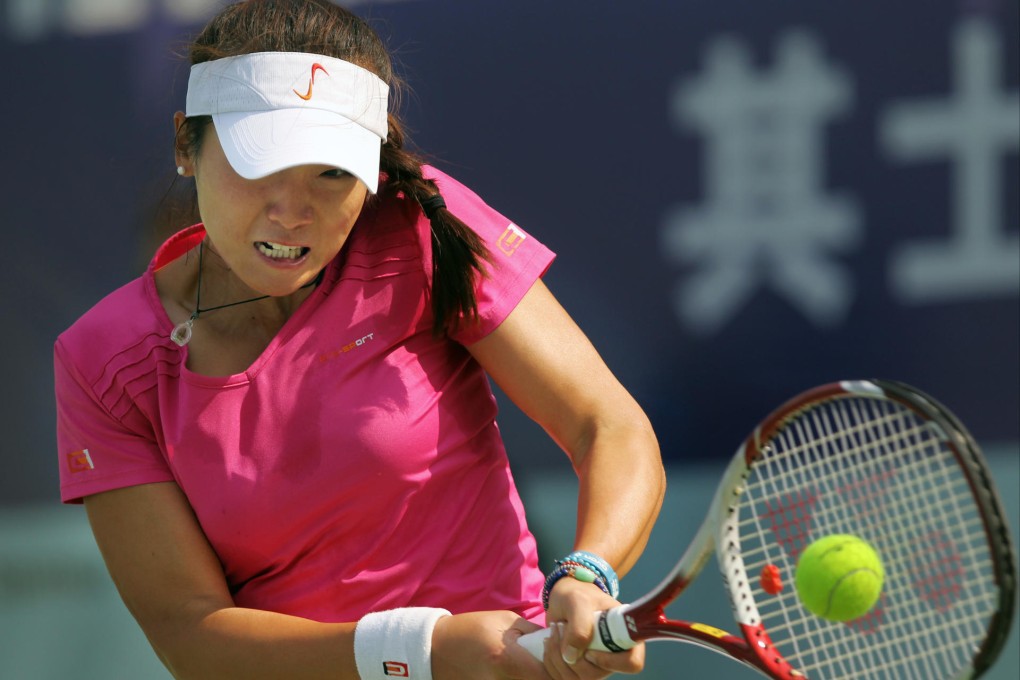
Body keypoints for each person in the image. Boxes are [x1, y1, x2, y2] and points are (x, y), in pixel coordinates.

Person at [53, 1, 665, 678]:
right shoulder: (100, 360)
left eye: (332, 172)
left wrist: (585, 574)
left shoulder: (417, 228)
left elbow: (606, 425)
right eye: (258, 166)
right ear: (184, 145)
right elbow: (189, 634)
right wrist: (423, 651)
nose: (292, 212)